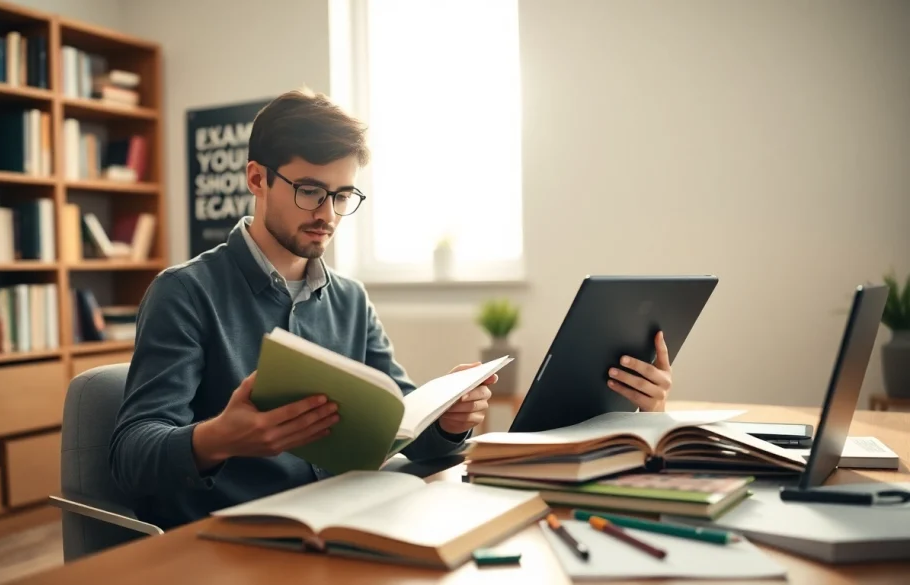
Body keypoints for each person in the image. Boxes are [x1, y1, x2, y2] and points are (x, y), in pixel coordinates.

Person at [108, 88, 672, 529]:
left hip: (347, 520)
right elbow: (130, 458)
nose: (327, 212)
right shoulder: (184, 292)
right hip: (233, 539)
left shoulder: (350, 298)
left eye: (342, 195)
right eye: (310, 190)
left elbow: (400, 425)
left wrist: (446, 419)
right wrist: (219, 438)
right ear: (257, 178)